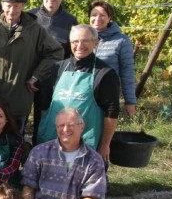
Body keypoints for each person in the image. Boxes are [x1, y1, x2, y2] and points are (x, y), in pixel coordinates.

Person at [0, 0, 63, 131]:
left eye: (17, 6)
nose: (12, 11)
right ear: (2, 6)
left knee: (15, 142)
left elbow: (56, 52)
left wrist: (36, 76)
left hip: (18, 99)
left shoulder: (35, 30)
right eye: (8, 6)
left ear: (23, 7)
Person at [38, 24, 121, 161]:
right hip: (53, 136)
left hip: (85, 141)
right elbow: (46, 104)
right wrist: (44, 132)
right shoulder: (58, 68)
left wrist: (105, 144)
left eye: (85, 41)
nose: (80, 45)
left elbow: (111, 112)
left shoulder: (105, 73)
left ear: (96, 43)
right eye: (75, 41)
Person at [22, 108, 106, 199]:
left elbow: (92, 197)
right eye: (61, 125)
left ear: (82, 127)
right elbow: (29, 188)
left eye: (71, 125)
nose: (66, 129)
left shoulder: (94, 159)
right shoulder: (39, 152)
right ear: (56, 128)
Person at [28, 0, 78, 142]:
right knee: (18, 118)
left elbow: (72, 55)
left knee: (46, 122)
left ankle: (43, 153)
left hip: (54, 81)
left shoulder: (70, 21)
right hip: (26, 78)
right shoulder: (29, 17)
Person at [89, 0, 137, 117]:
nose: (97, 19)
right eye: (94, 15)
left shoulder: (121, 40)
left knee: (106, 132)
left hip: (108, 95)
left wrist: (130, 101)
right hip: (84, 94)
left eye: (102, 15)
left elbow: (127, 72)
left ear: (110, 17)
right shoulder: (82, 38)